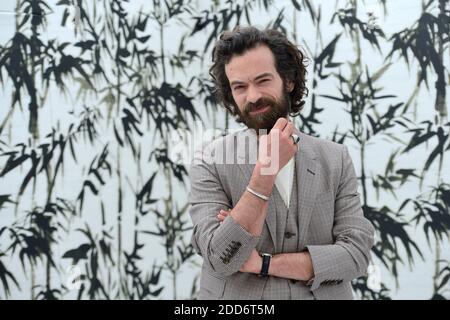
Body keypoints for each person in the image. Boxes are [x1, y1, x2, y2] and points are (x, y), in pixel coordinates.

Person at [188, 26, 374, 300]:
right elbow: (220, 258)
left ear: (288, 80)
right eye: (240, 86)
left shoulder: (336, 158)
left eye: (262, 80)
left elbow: (356, 255)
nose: (252, 96)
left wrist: (262, 264)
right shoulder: (210, 161)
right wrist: (265, 174)